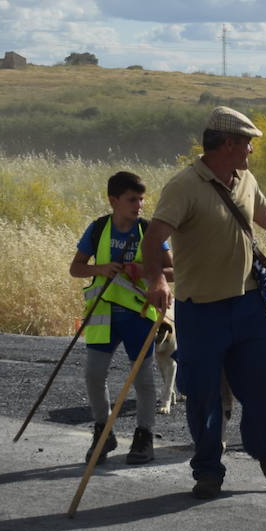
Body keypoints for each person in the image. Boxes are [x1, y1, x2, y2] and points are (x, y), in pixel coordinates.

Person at [142, 107, 266, 500]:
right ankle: (208, 470)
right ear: (228, 144)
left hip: (249, 303)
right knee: (205, 393)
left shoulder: (245, 179)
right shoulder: (183, 186)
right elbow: (155, 235)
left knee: (262, 385)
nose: (251, 151)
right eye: (247, 143)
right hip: (201, 310)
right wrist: (156, 278)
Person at [69, 171, 171, 466]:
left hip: (139, 315)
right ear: (113, 200)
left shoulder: (149, 231)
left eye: (141, 199)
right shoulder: (99, 228)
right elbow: (76, 269)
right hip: (102, 315)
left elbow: (174, 272)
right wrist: (99, 269)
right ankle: (103, 431)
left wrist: (146, 272)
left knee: (143, 380)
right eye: (132, 199)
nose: (139, 205)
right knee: (93, 376)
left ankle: (144, 436)